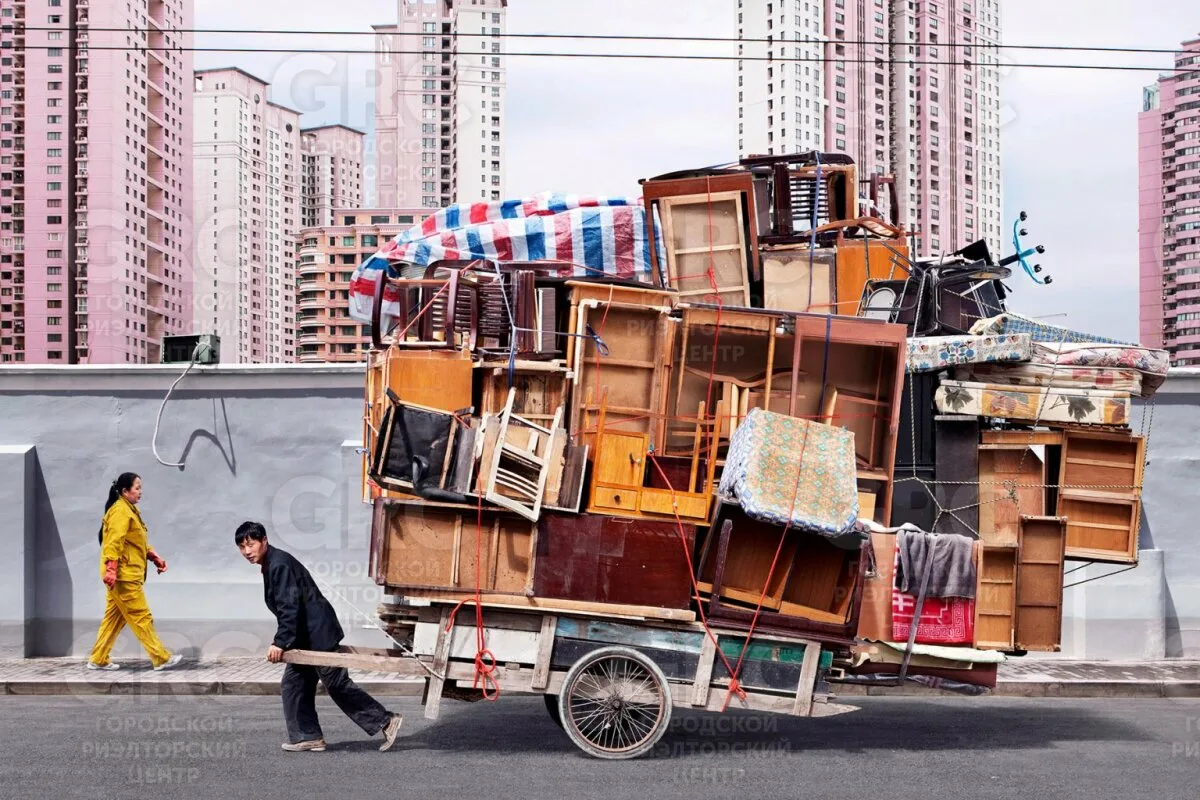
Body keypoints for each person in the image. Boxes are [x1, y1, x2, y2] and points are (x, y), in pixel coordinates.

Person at [235, 521, 404, 753]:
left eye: (251, 544)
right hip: (305, 637)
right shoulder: (271, 563)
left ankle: (385, 720)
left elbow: (289, 607)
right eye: (242, 547)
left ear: (264, 540)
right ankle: (308, 736)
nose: (247, 552)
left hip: (318, 635)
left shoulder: (279, 565)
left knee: (336, 684)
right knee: (293, 685)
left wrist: (280, 642)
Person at [88, 472, 183, 672]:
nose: (140, 492)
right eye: (137, 488)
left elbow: (136, 543)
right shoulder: (121, 511)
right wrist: (112, 570)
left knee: (114, 619)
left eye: (140, 488)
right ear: (125, 491)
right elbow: (114, 543)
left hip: (126, 574)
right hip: (123, 576)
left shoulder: (128, 510)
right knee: (141, 616)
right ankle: (160, 657)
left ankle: (98, 658)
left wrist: (154, 556)